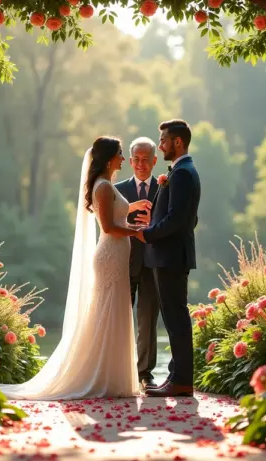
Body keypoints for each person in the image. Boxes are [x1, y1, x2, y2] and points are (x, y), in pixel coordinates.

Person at [0, 136, 152, 400]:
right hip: (109, 256)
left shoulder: (108, 185)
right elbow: (108, 227)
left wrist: (132, 209)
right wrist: (137, 231)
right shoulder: (103, 187)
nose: (124, 159)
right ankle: (98, 375)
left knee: (114, 312)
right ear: (108, 159)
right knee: (107, 311)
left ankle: (111, 375)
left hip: (116, 256)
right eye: (120, 154)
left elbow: (116, 214)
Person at [134, 119, 201, 398]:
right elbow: (188, 218)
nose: (160, 145)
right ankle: (175, 376)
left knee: (176, 319)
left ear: (178, 142)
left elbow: (177, 219)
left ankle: (182, 381)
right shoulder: (181, 171)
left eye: (163, 140)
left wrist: (147, 234)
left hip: (170, 256)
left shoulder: (183, 173)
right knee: (174, 319)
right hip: (169, 255)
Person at [114, 137, 161, 391]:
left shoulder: (164, 188)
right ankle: (117, 370)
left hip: (153, 263)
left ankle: (145, 373)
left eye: (146, 160)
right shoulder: (117, 189)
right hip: (123, 261)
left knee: (147, 319)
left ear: (155, 161)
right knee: (119, 317)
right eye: (137, 160)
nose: (141, 164)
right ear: (130, 161)